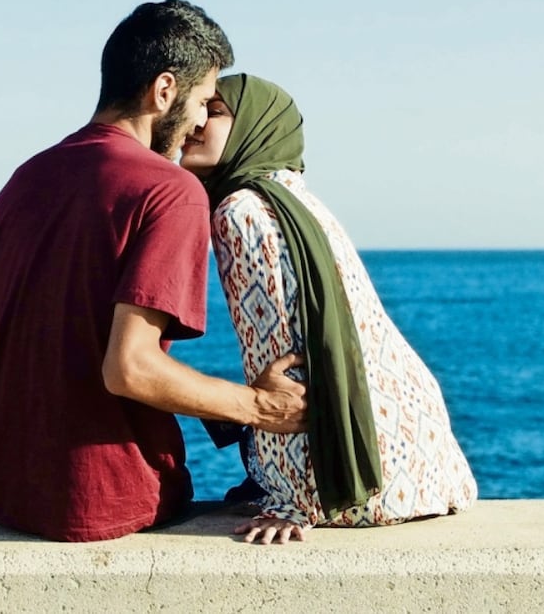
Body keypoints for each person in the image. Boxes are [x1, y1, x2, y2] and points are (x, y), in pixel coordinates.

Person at [0, 2, 308, 543]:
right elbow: (130, 369)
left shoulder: (24, 178)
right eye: (202, 102)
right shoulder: (170, 191)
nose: (197, 124)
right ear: (164, 91)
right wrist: (257, 406)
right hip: (99, 498)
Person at [179, 73, 478, 545]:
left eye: (213, 113)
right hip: (423, 468)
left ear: (253, 127)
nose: (193, 125)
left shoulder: (240, 212)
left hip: (357, 484)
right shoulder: (300, 200)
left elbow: (283, 371)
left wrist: (292, 503)